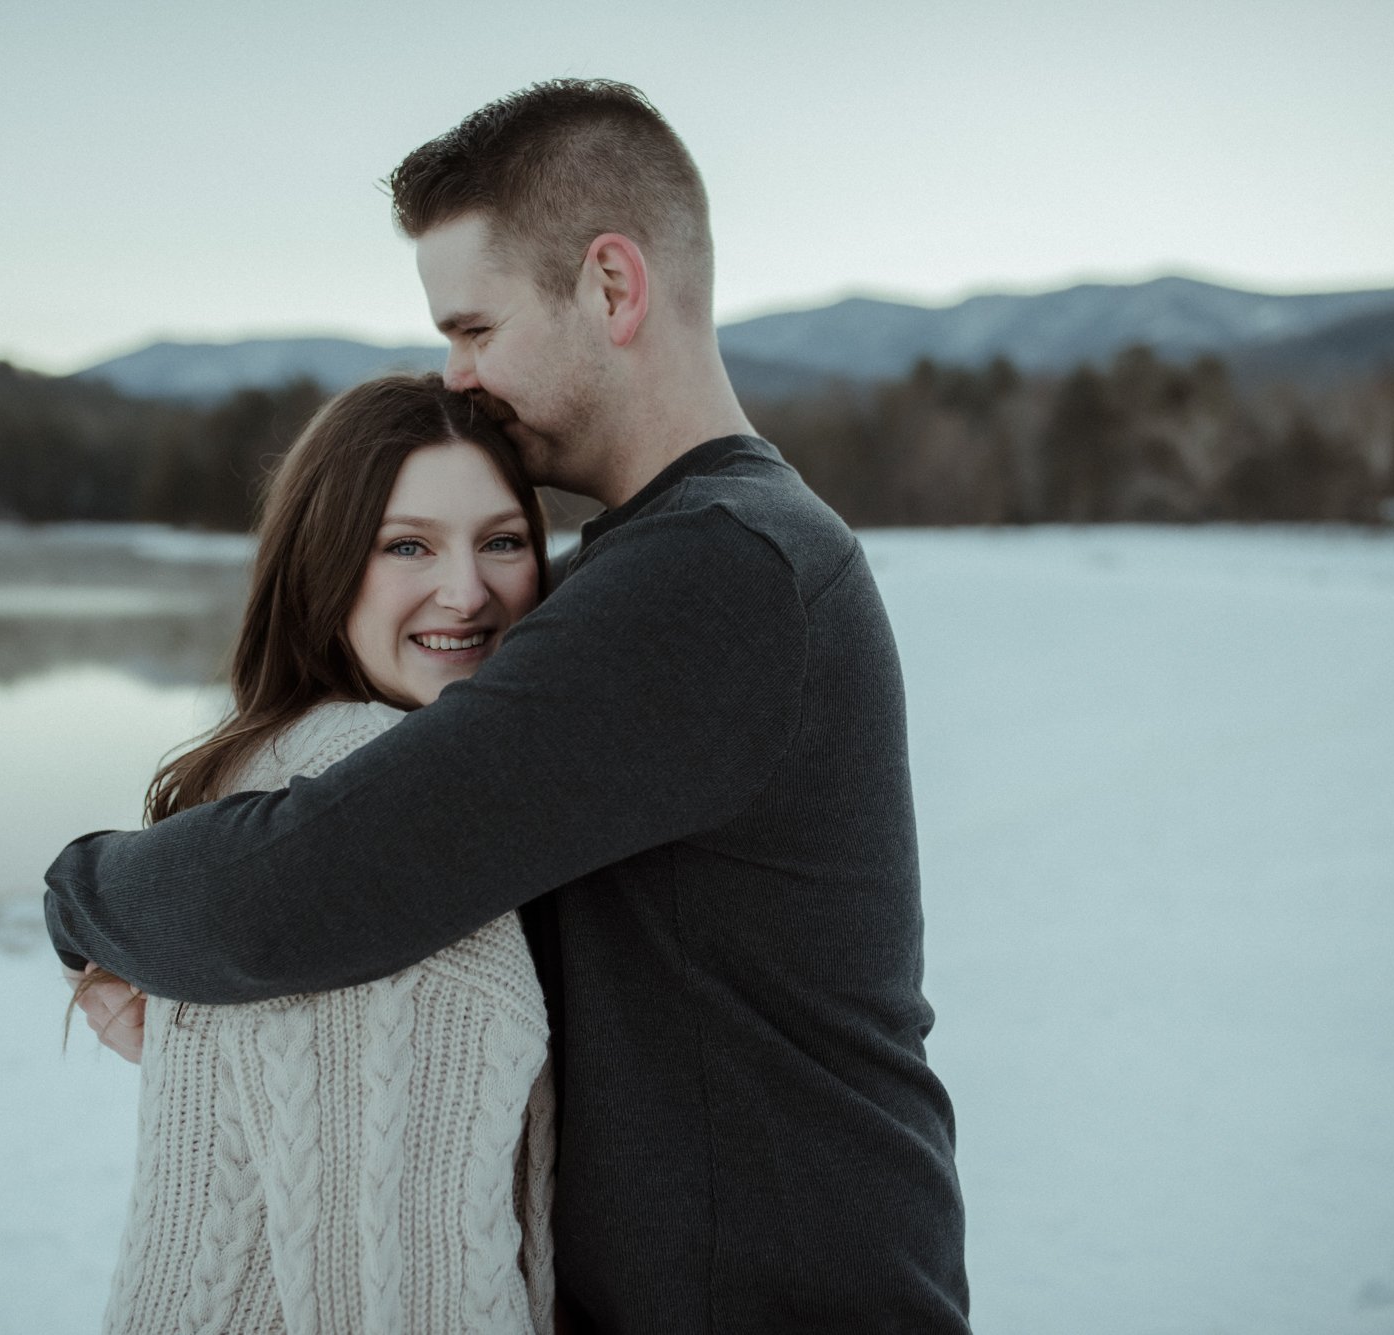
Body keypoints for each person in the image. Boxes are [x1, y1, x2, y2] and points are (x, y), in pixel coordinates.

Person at [52, 78, 970, 1333]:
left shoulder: (714, 578)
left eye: (474, 329)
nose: (458, 376)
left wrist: (80, 891)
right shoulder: (674, 563)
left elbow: (316, 881)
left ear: (609, 286)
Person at [82, 374, 558, 1334]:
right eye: (407, 545)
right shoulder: (383, 811)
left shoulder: (260, 768)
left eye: (502, 541)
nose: (467, 591)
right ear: (326, 563)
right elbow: (402, 1293)